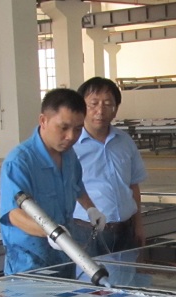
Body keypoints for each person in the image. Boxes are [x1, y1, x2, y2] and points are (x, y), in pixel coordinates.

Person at [0, 88, 106, 275]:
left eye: (78, 129)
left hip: (65, 255)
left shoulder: (69, 155)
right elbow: (14, 214)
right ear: (43, 121)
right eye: (63, 128)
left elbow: (77, 186)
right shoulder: (19, 162)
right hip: (30, 263)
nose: (71, 136)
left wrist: (91, 208)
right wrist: (51, 232)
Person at [71, 77, 148, 257]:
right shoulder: (71, 145)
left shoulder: (125, 142)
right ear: (81, 107)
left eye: (107, 104)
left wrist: (139, 225)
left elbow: (133, 186)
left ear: (116, 109)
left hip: (126, 231)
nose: (100, 111)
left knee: (127, 275)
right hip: (86, 232)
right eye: (93, 104)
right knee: (91, 276)